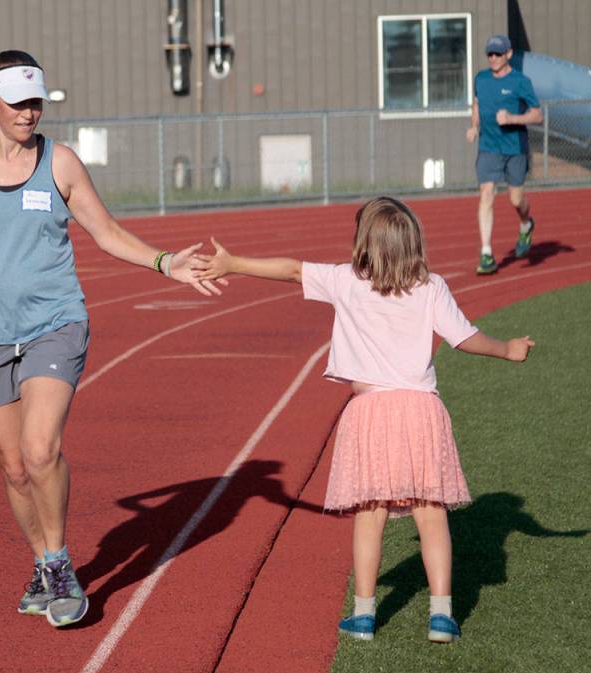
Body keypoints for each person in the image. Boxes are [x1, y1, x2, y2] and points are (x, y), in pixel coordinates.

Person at [0, 50, 221, 628]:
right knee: (13, 466)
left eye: (36, 102)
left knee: (39, 449)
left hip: (54, 323)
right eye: (18, 103)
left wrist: (165, 262)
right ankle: (43, 565)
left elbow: (106, 231)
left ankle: (58, 563)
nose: (29, 113)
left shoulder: (61, 163)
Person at [191, 196, 534, 643]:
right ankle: (441, 616)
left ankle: (364, 615)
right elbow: (463, 337)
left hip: (370, 412)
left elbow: (291, 270)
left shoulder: (346, 281)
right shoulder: (431, 286)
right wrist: (508, 349)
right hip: (421, 410)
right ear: (413, 242)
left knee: (370, 515)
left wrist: (232, 263)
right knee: (431, 513)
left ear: (365, 243)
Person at [466, 34, 543, 275]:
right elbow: (477, 104)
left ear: (508, 54)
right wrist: (474, 126)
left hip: (514, 148)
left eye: (498, 53)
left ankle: (526, 224)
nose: (493, 58)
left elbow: (538, 115)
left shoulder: (521, 82)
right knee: (486, 194)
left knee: (516, 200)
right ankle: (486, 253)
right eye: (490, 53)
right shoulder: (481, 79)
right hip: (489, 147)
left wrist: (512, 118)